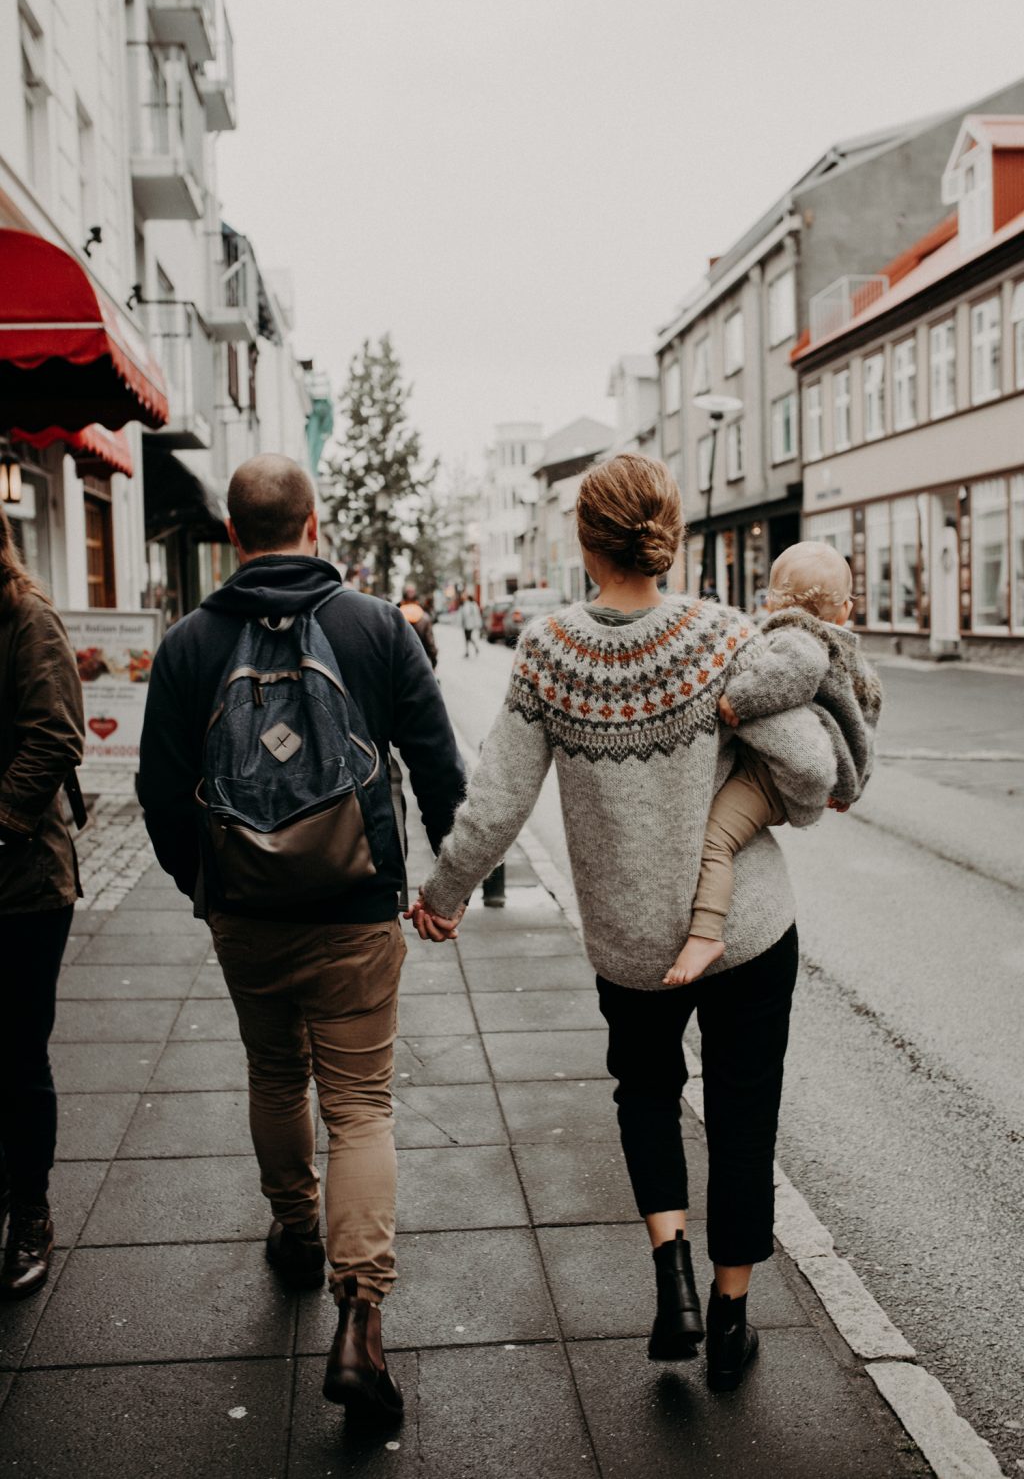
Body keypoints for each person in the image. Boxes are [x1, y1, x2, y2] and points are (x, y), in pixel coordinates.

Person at [407, 453, 836, 1392]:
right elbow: (811, 774)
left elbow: (496, 802)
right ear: (669, 534)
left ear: (584, 540)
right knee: (744, 1113)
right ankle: (731, 1316)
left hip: (633, 944)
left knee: (644, 1093)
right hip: (751, 932)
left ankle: (672, 1278)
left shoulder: (550, 649)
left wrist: (441, 896)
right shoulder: (727, 636)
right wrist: (773, 798)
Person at [138, 454, 465, 1422]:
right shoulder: (375, 627)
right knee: (359, 1105)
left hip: (246, 908)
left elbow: (160, 790)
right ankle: (361, 1314)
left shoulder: (191, 641)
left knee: (275, 1074)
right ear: (313, 524)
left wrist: (205, 886)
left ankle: (293, 1227)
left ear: (234, 534)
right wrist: (444, 879)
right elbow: (438, 759)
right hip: (357, 905)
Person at [665, 541, 881, 985]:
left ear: (770, 602)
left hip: (768, 776)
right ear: (846, 610)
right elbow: (866, 723)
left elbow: (794, 671)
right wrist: (849, 784)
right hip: (824, 770)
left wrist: (739, 700)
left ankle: (706, 933)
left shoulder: (797, 636)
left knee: (713, 840)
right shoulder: (854, 660)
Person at [0, 506, 84, 1300]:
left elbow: (56, 736)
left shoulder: (26, 619)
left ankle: (30, 1209)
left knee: (18, 1054)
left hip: (21, 886)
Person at [398, 584, 437, 669]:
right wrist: (434, 659)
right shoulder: (424, 616)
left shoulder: (397, 615)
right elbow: (430, 641)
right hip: (420, 658)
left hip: (401, 661)